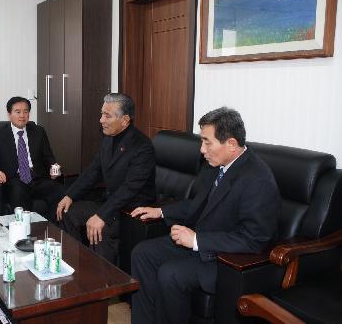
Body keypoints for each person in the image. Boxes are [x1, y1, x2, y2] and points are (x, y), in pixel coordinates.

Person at [130, 107, 280, 324]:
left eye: (207, 142)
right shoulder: (216, 166)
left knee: (170, 274)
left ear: (230, 143)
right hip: (201, 242)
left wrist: (197, 240)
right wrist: (161, 211)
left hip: (225, 258)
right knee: (142, 253)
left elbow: (254, 238)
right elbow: (197, 204)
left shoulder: (257, 179)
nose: (202, 149)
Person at [56, 93, 156, 263]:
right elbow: (93, 171)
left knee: (99, 229)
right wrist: (69, 195)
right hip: (110, 203)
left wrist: (102, 215)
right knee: (67, 212)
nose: (101, 120)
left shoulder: (142, 147)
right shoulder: (108, 138)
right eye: (102, 114)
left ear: (124, 120)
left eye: (107, 116)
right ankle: (77, 262)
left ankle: (104, 280)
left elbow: (129, 189)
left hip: (130, 210)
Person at [0, 96, 64, 220]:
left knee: (59, 191)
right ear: (9, 114)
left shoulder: (38, 131)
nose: (22, 115)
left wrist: (53, 166)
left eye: (26, 111)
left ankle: (53, 226)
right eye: (18, 112)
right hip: (14, 179)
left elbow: (48, 156)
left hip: (37, 178)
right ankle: (24, 232)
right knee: (18, 192)